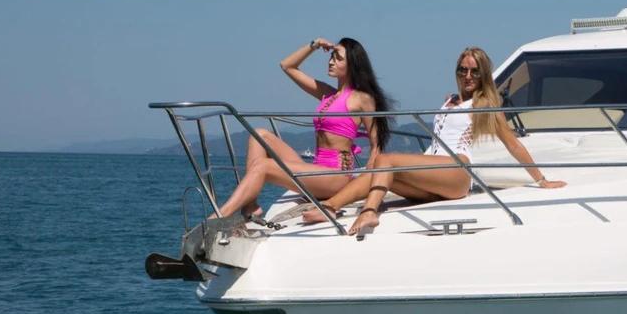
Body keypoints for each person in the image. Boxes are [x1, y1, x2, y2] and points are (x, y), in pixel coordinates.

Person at [304, 46, 565, 236]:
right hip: (435, 172)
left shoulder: (484, 105)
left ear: (483, 75)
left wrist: (540, 179)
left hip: (458, 172)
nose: (468, 76)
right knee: (380, 170)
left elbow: (512, 143)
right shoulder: (450, 100)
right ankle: (329, 207)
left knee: (385, 159)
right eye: (463, 70)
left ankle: (367, 211)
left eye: (474, 72)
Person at [214, 37, 391, 220]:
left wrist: (368, 186)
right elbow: (287, 66)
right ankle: (251, 206)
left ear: (352, 65)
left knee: (264, 166)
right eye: (331, 56)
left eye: (338, 58)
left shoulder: (361, 98)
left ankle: (218, 218)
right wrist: (314, 45)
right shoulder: (327, 93)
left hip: (338, 176)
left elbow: (376, 144)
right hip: (316, 169)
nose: (331, 61)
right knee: (259, 135)